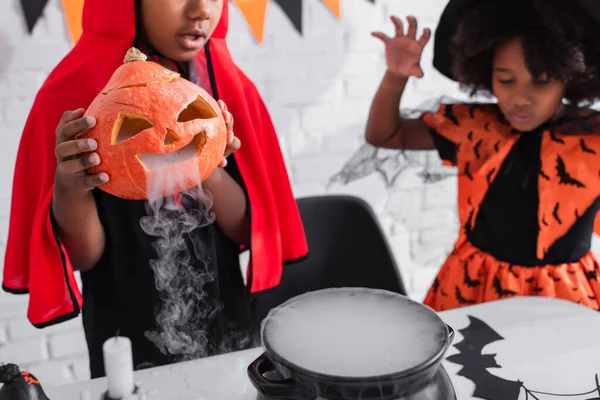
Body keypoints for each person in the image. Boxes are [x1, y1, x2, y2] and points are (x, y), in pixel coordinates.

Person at [2, 0, 308, 378]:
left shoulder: (223, 87)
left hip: (226, 315)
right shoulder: (72, 99)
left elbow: (245, 229)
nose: (201, 10)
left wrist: (203, 155)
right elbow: (84, 256)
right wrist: (71, 184)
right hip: (124, 332)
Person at [366, 0, 600, 312]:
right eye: (505, 79)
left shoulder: (594, 138)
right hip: (473, 287)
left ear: (571, 75)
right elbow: (385, 134)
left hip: (565, 295)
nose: (520, 99)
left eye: (541, 82)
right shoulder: (474, 126)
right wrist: (396, 76)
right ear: (486, 72)